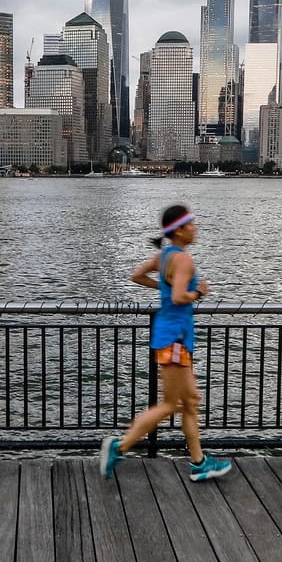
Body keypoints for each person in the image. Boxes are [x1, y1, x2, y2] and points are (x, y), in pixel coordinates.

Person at [100, 204, 233, 482]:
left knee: (191, 401)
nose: (196, 228)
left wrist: (164, 287)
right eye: (192, 224)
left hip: (171, 337)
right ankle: (119, 447)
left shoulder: (164, 256)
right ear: (180, 229)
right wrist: (198, 292)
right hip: (175, 340)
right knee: (170, 404)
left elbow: (136, 275)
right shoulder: (183, 259)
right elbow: (178, 298)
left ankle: (199, 463)